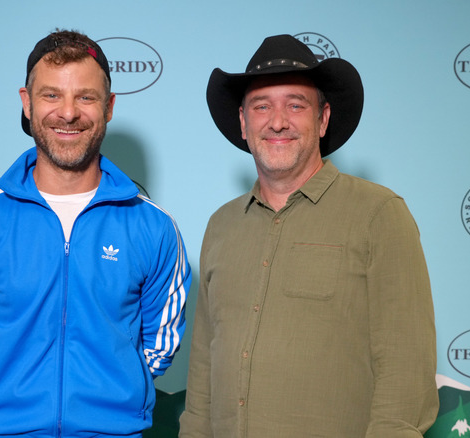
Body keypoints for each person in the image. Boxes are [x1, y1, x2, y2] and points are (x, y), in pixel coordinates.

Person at [178, 34, 437, 437]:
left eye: (295, 105)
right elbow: (202, 383)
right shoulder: (221, 226)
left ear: (323, 118)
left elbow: (406, 376)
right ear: (244, 123)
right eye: (261, 106)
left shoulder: (379, 214)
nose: (277, 121)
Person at [0, 30, 190, 438]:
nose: (68, 113)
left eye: (85, 97)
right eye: (51, 95)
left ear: (108, 107)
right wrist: (4, 396)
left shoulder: (153, 226)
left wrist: (113, 394)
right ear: (27, 102)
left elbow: (160, 341)